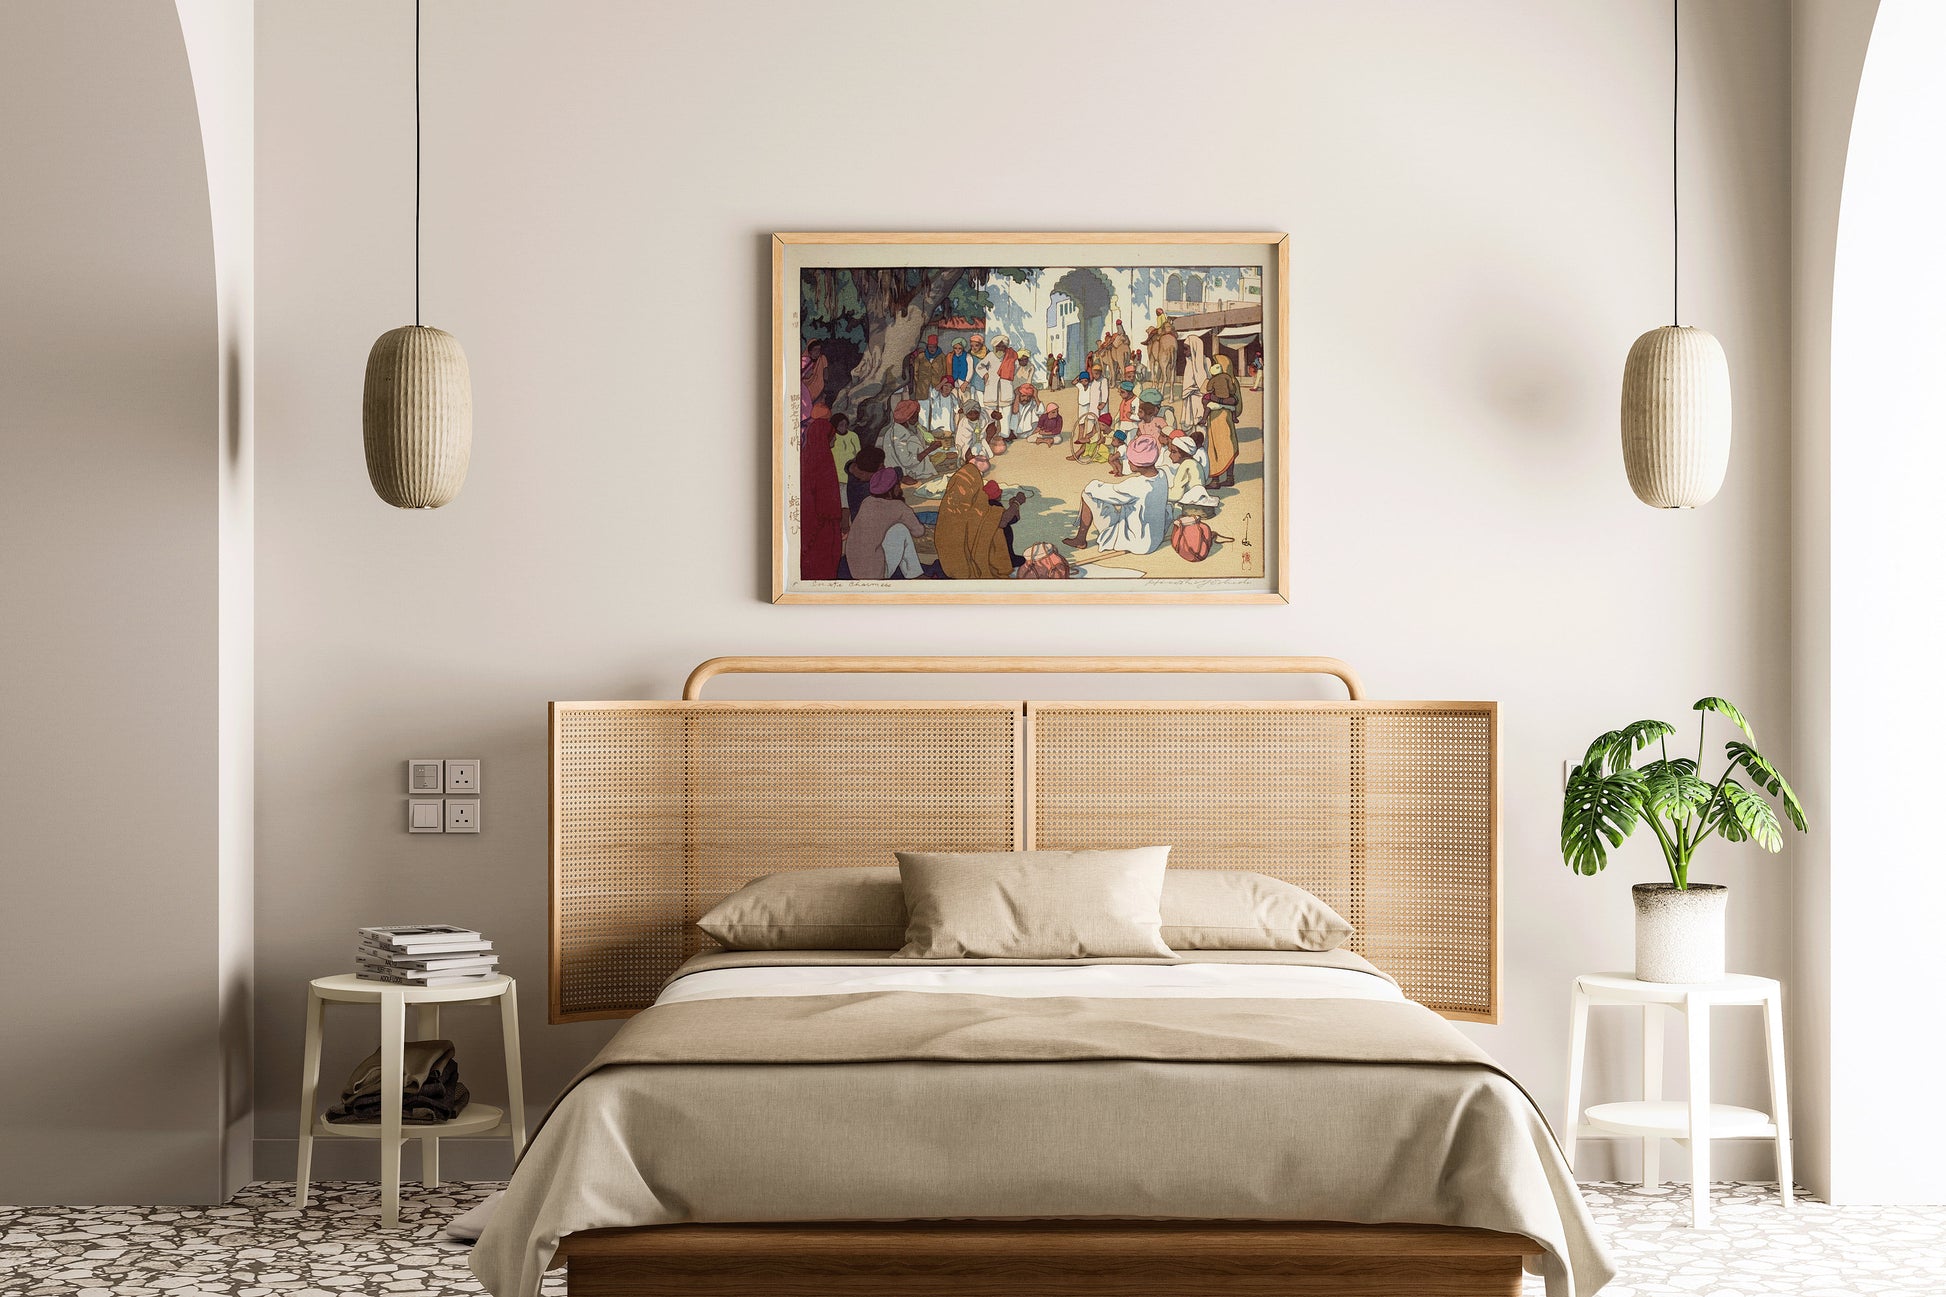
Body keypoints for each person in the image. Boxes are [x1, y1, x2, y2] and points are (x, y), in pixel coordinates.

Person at [1062, 436, 1171, 555]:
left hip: (1137, 542)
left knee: (1088, 493)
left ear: (1140, 462)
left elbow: (1104, 491)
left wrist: (1094, 484)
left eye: (1131, 459)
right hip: (1155, 538)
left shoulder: (1135, 485)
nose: (1128, 461)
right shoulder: (1162, 475)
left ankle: (1080, 539)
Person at [933, 453, 1017, 579]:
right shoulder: (976, 509)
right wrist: (1016, 503)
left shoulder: (948, 508)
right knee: (997, 527)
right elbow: (1003, 520)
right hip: (966, 567)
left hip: (948, 565)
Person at [845, 467, 926, 580]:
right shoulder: (898, 506)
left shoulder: (867, 502)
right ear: (894, 487)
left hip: (855, 569)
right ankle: (915, 574)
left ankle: (914, 573)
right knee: (900, 529)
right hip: (876, 574)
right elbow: (919, 532)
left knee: (889, 532)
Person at [797, 402, 845, 580]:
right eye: (831, 437)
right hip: (822, 523)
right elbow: (828, 501)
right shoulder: (823, 461)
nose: (834, 440)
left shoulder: (808, 456)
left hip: (813, 520)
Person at [1203, 353, 1242, 487]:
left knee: (1224, 448)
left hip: (1222, 420)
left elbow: (1237, 404)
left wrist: (1218, 400)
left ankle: (1219, 480)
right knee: (1218, 448)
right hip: (1216, 421)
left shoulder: (1230, 381)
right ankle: (1220, 479)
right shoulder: (1226, 381)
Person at [881, 398, 936, 481]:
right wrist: (930, 449)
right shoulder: (898, 434)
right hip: (909, 476)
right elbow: (907, 461)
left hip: (920, 473)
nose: (917, 419)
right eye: (915, 417)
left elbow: (920, 447)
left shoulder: (912, 429)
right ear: (907, 418)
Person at [1165, 434, 1218, 514]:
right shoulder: (1192, 462)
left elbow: (1176, 495)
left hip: (1190, 504)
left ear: (1183, 454)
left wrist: (1160, 492)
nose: (1170, 455)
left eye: (1174, 452)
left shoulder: (1186, 465)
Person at [844, 443, 885, 516]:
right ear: (864, 473)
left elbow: (850, 463)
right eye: (881, 467)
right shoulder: (868, 489)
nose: (884, 468)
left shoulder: (854, 475)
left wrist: (850, 466)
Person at [799, 341, 828, 424]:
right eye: (815, 350)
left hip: (810, 388)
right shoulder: (804, 361)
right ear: (810, 351)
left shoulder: (820, 359)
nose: (817, 352)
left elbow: (825, 371)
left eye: (819, 350)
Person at [951, 397, 990, 461]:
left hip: (978, 443)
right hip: (966, 446)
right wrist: (970, 457)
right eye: (970, 414)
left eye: (976, 413)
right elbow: (965, 443)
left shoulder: (983, 416)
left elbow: (988, 412)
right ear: (966, 414)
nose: (973, 416)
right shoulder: (965, 424)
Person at [829, 412, 860, 486]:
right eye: (841, 425)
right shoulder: (832, 437)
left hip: (851, 473)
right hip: (837, 475)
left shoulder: (853, 436)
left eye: (846, 425)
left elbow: (858, 454)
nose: (844, 427)